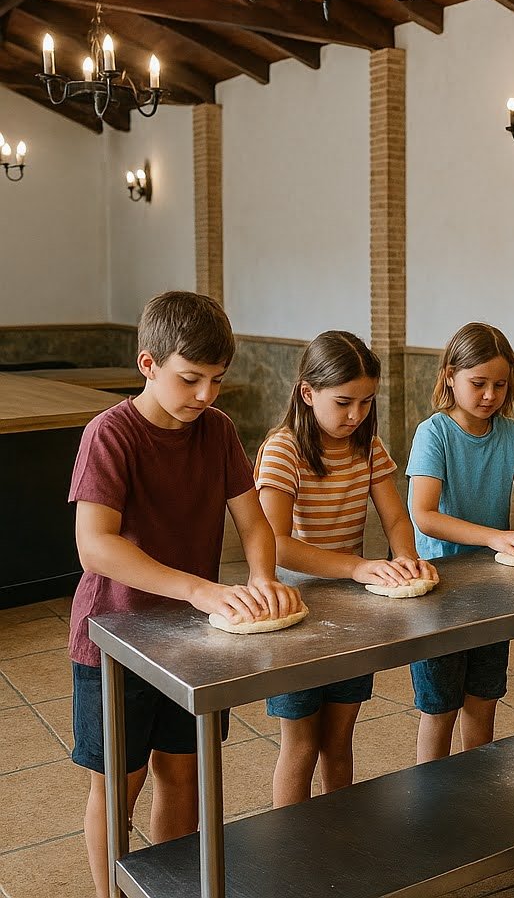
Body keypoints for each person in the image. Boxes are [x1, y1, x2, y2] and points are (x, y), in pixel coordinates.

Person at [68, 291, 304, 898]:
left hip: (192, 642)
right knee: (117, 785)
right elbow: (96, 547)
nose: (205, 395)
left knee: (183, 773)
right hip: (114, 642)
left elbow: (255, 524)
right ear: (148, 364)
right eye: (191, 378)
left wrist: (263, 577)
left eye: (216, 380)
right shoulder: (109, 434)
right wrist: (199, 589)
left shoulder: (217, 431)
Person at [256, 330, 436, 805]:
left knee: (338, 740)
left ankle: (337, 835)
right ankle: (292, 842)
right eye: (343, 402)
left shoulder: (366, 446)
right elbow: (275, 544)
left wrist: (406, 556)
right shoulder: (283, 449)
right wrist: (357, 567)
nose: (355, 415)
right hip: (293, 614)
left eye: (366, 402)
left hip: (351, 615)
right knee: (300, 745)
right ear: (307, 393)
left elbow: (396, 517)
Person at [407, 323, 514, 761]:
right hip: (440, 591)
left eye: (500, 385)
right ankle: (431, 794)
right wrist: (496, 537)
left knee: (483, 699)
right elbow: (425, 515)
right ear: (449, 376)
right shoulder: (434, 433)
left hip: (493, 590)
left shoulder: (510, 433)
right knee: (440, 708)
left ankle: (475, 789)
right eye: (478, 383)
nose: (490, 395)